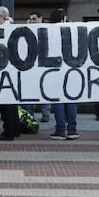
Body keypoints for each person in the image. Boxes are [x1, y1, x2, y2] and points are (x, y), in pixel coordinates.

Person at [48, 9, 79, 140]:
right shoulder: (71, 31)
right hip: (70, 70)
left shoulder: (49, 32)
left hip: (55, 70)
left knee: (58, 101)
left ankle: (60, 129)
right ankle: (72, 130)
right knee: (70, 99)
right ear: (63, 19)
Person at [0, 6, 21, 141]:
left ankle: (8, 131)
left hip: (4, 71)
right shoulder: (11, 28)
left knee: (6, 104)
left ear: (2, 17)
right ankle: (14, 129)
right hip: (10, 71)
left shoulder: (4, 30)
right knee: (12, 103)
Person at [27, 10, 51, 122]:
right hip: (31, 65)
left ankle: (45, 113)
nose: (32, 22)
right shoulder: (28, 30)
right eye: (31, 19)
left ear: (41, 18)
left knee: (45, 89)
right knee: (31, 90)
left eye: (34, 19)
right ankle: (30, 114)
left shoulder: (48, 29)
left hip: (43, 64)